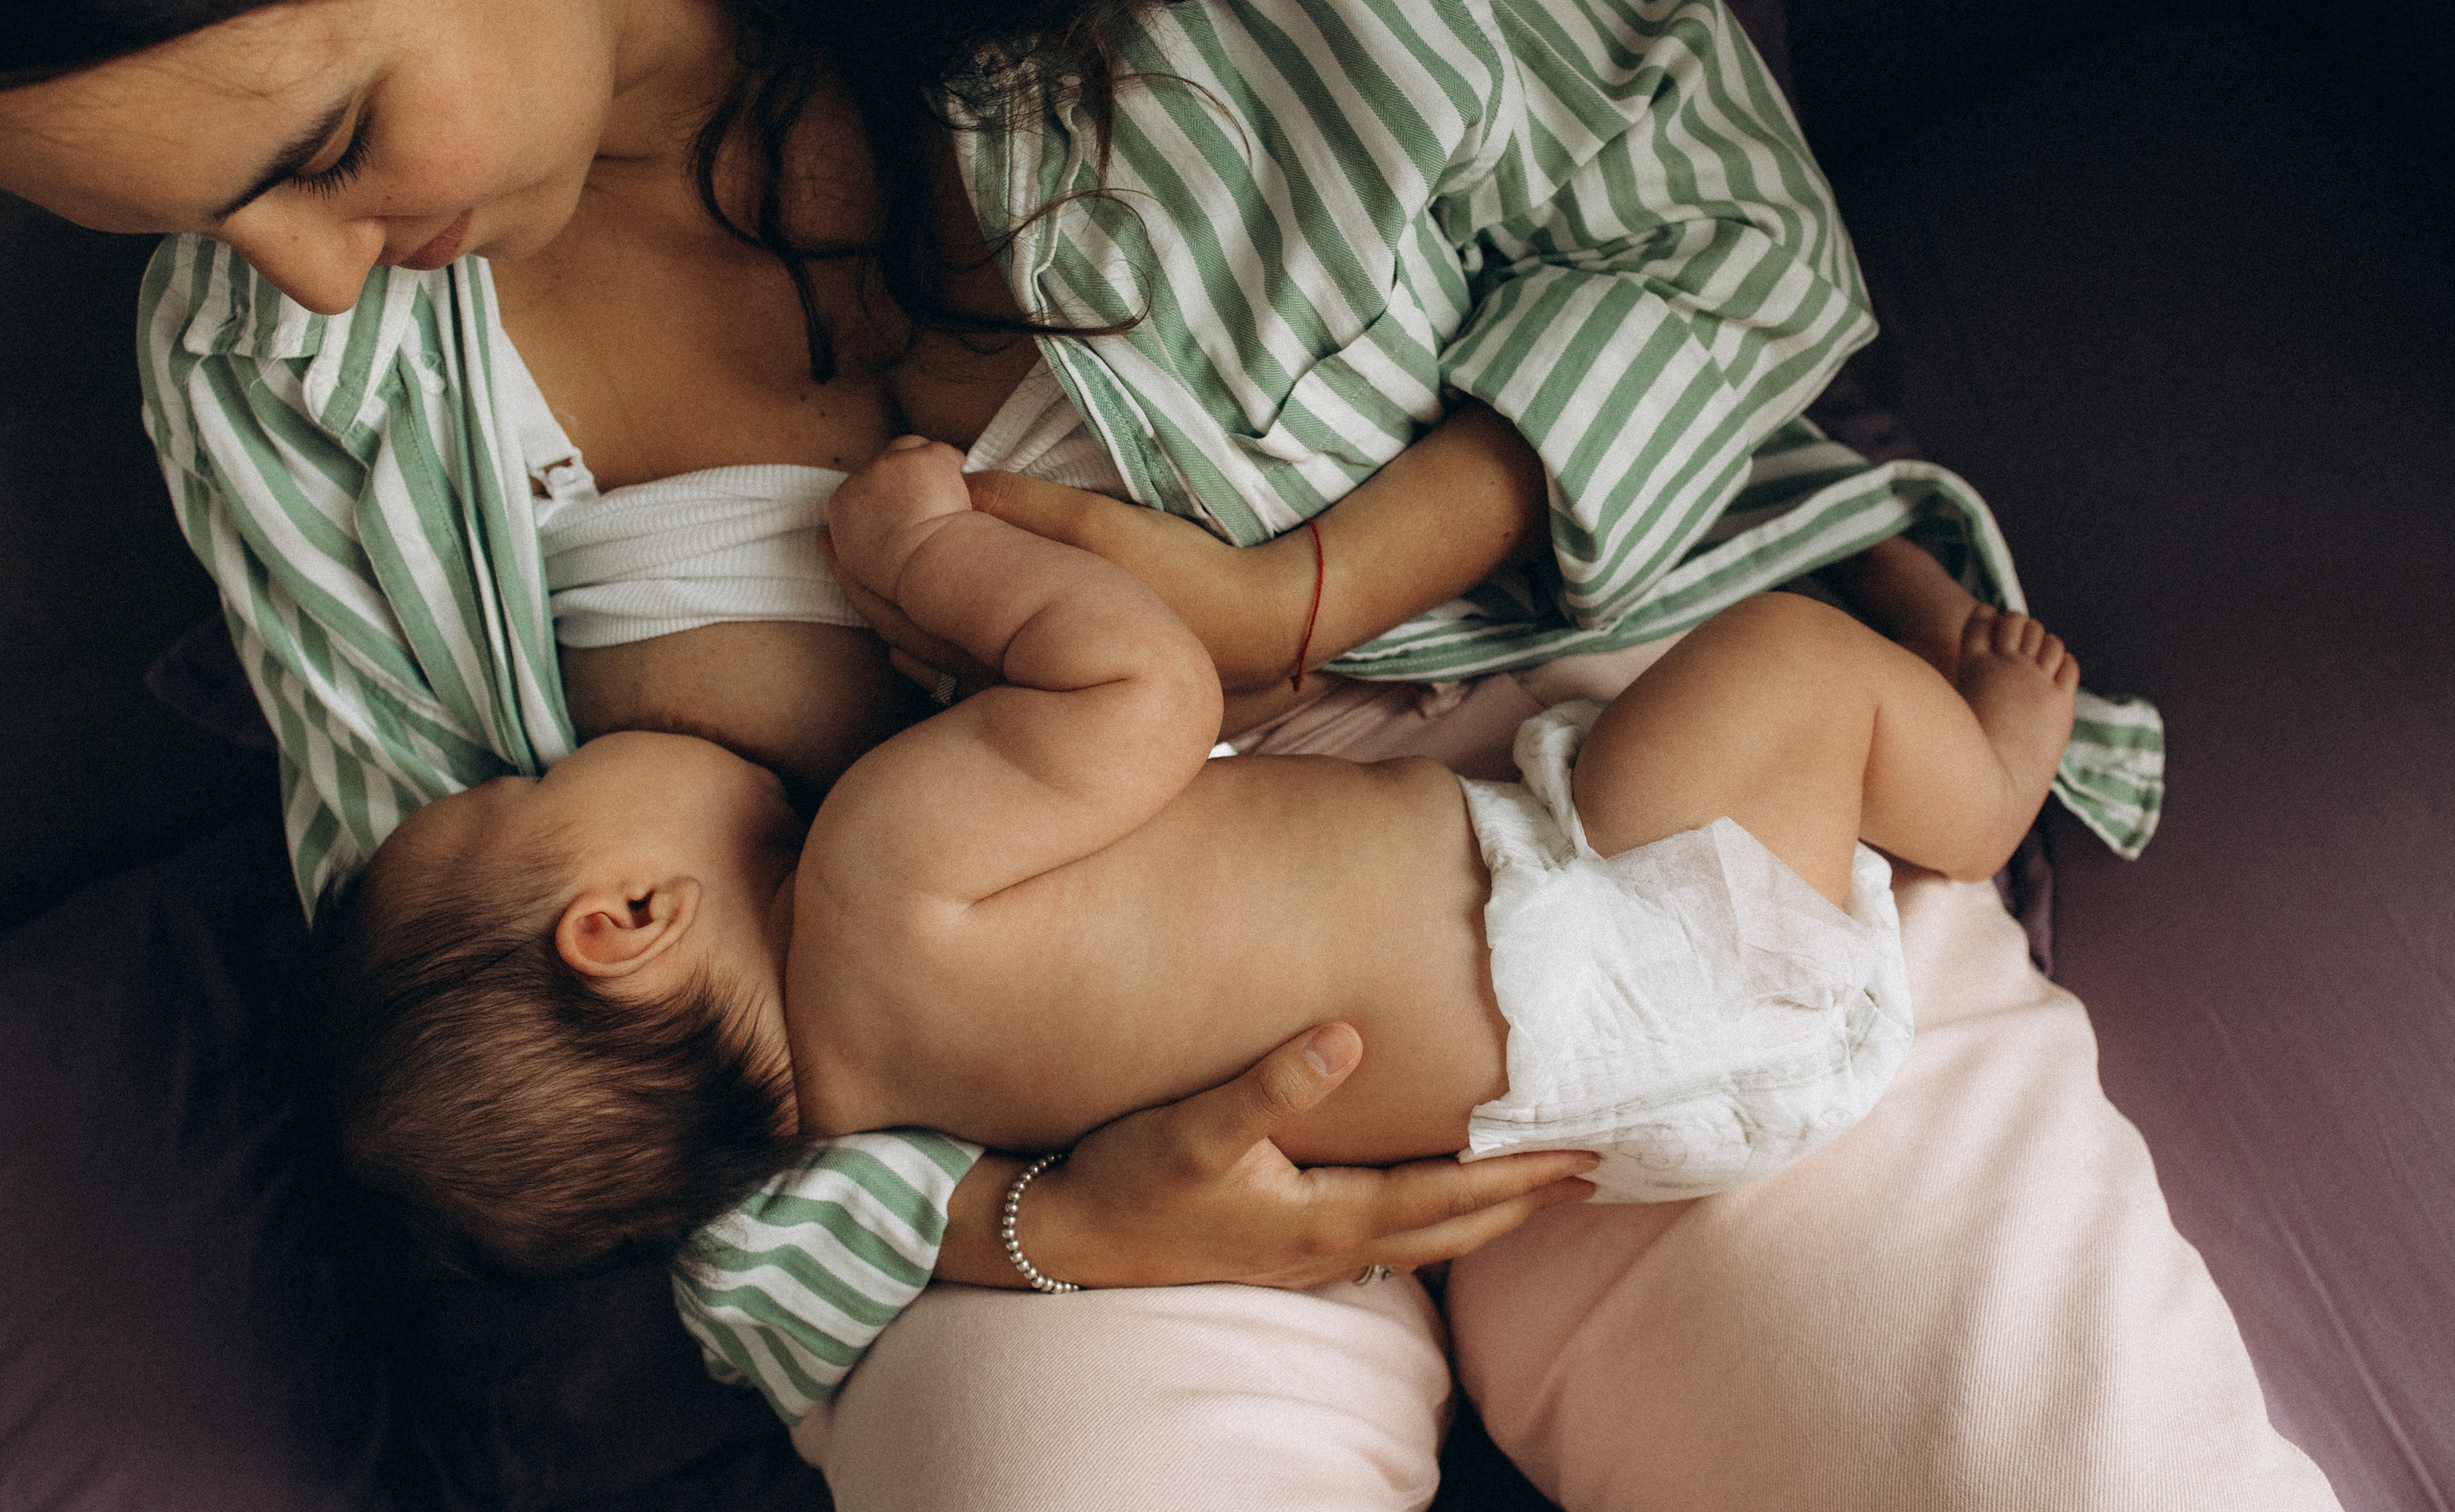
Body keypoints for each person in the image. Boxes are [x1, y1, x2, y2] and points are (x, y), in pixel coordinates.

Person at [0, 0, 2181, 1505]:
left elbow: (1720, 222)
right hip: (1007, 1122)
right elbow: (510, 1046)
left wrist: (1308, 583)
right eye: (189, 222)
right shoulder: (267, 371)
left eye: (307, 147)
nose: (274, 273)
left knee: (2039, 1451)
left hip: (1566, 788)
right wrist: (1024, 1219)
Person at [329, 435, 2082, 1288]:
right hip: (1620, 936)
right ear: (622, 923)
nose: (540, 758)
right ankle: (1987, 779)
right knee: (1771, 662)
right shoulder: (867, 870)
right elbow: (1143, 693)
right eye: (510, 797)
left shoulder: (871, 1119)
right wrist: (930, 556)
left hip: (1612, 1128)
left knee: (1712, 727)